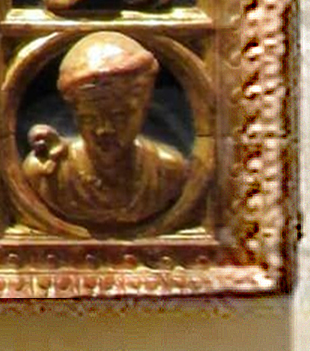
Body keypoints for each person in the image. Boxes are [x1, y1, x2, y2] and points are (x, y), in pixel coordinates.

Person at [24, 31, 189, 229]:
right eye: (89, 118)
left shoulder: (168, 171)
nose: (104, 130)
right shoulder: (48, 173)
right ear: (75, 115)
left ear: (143, 111)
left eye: (119, 116)